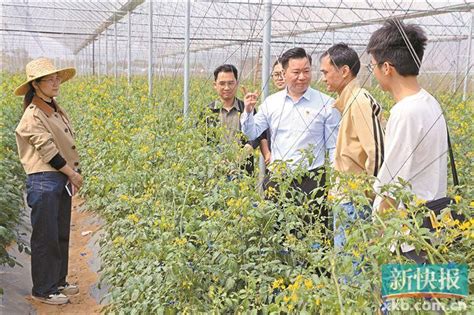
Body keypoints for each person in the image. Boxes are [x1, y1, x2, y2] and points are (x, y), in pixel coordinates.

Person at [368, 20, 447, 263]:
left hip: (407, 240)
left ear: (387, 68)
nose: (372, 72)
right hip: (431, 229)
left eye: (373, 66)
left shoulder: (406, 112)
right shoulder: (429, 102)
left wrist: (377, 238)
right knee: (431, 299)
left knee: (402, 300)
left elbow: (391, 185)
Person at [241, 47, 341, 231]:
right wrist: (248, 111)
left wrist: (335, 184)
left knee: (313, 232)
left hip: (312, 181)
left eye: (306, 71)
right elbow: (252, 133)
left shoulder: (327, 104)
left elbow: (333, 147)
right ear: (284, 73)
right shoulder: (272, 102)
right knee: (276, 232)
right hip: (278, 180)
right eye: (296, 72)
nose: (302, 77)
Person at [14, 58, 83, 305]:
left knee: (60, 232)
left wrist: (70, 173)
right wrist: (72, 174)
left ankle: (58, 282)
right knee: (46, 236)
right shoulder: (32, 116)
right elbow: (49, 151)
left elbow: (65, 144)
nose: (56, 82)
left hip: (57, 178)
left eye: (57, 78)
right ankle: (43, 289)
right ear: (36, 84)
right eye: (50, 79)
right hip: (44, 180)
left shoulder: (53, 108)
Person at [319, 43, 384, 250]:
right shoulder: (348, 102)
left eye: (326, 72)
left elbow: (376, 152)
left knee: (353, 267)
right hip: (348, 198)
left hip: (355, 201)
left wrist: (370, 196)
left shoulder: (359, 101)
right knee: (347, 264)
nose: (323, 78)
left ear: (344, 71)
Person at [206, 64, 269, 175]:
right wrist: (216, 159)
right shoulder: (208, 112)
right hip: (216, 172)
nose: (227, 87)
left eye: (231, 83)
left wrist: (249, 146)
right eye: (222, 83)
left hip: (243, 170)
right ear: (215, 85)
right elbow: (203, 141)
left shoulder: (247, 109)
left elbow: (259, 133)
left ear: (237, 84)